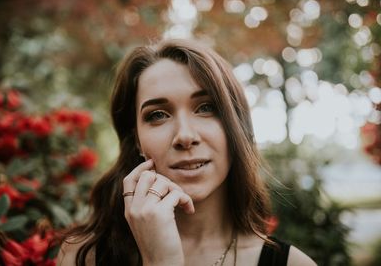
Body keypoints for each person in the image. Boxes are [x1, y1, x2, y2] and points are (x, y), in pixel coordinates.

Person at [57, 39, 317, 266]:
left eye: (206, 108)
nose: (185, 136)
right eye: (158, 115)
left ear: (236, 127)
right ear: (137, 140)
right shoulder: (83, 256)